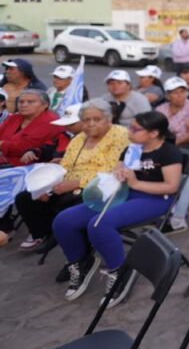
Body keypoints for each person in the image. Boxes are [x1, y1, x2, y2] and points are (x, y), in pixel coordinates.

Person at [54, 111, 182, 305]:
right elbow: (119, 170)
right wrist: (118, 174)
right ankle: (80, 262)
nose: (129, 130)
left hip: (154, 198)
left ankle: (119, 270)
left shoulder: (169, 153)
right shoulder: (132, 148)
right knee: (64, 221)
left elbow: (171, 187)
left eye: (135, 128)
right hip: (124, 193)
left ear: (154, 133)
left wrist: (135, 183)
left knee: (99, 224)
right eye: (130, 126)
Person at [26, 100, 128, 273]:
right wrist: (49, 186)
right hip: (69, 184)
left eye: (97, 119)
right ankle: (52, 234)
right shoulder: (79, 138)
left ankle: (81, 256)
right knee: (28, 199)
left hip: (100, 187)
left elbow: (110, 170)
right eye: (86, 120)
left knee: (70, 210)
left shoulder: (119, 135)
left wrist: (76, 183)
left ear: (108, 119)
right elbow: (66, 165)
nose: (90, 124)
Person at [11, 105, 87, 252]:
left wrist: (51, 189)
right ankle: (42, 233)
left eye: (71, 124)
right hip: (57, 177)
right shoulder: (64, 135)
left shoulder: (90, 140)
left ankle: (58, 233)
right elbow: (46, 147)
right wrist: (34, 151)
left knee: (61, 201)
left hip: (79, 184)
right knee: (25, 198)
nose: (67, 127)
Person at [0, 89, 62, 166]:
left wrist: (2, 144)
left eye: (30, 102)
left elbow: (24, 146)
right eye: (21, 102)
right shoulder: (15, 118)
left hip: (28, 166)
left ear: (45, 105)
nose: (24, 105)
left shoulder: (51, 121)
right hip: (5, 161)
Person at [155, 77, 189, 148]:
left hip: (184, 144)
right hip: (163, 142)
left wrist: (173, 144)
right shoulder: (161, 109)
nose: (180, 96)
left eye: (183, 92)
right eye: (175, 93)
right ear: (168, 96)